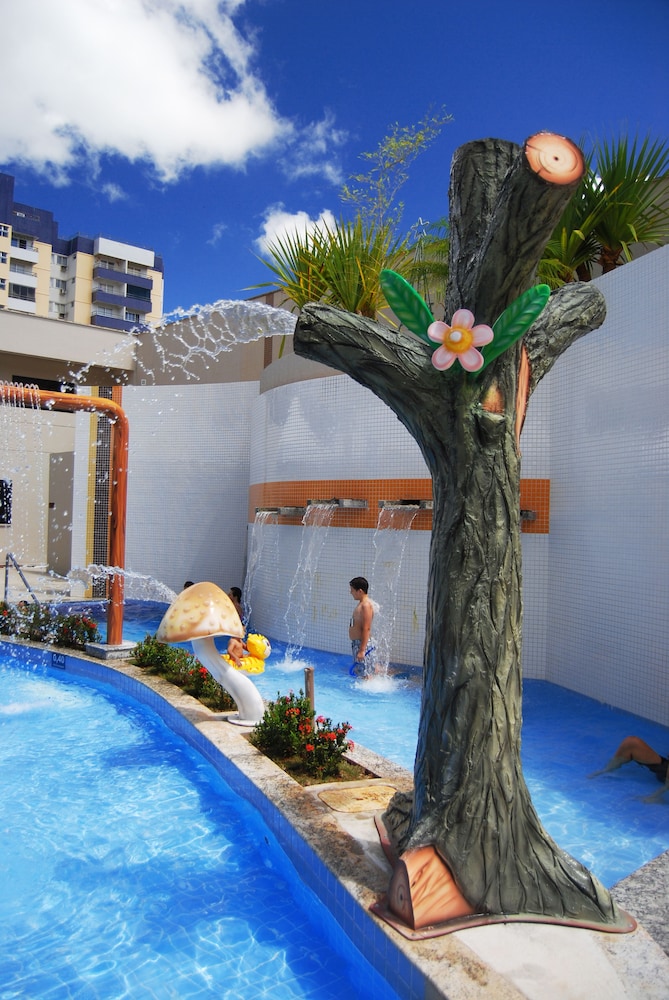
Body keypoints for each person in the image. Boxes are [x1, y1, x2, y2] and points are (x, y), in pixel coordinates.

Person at [590, 736, 668, 784]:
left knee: (632, 743)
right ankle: (608, 769)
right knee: (630, 743)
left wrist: (655, 796)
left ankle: (607, 770)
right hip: (664, 766)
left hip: (664, 770)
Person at [348, 576, 375, 672]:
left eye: (352, 590)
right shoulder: (362, 604)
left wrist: (362, 650)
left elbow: (366, 628)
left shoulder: (365, 605)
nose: (350, 592)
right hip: (358, 643)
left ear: (359, 591)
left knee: (366, 675)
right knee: (361, 672)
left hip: (363, 644)